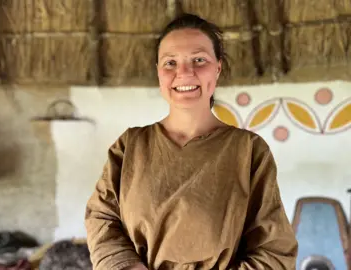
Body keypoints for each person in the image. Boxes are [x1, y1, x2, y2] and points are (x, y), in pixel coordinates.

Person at [84, 13, 298, 270]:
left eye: (199, 60)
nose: (184, 73)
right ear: (158, 72)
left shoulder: (248, 150)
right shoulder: (130, 146)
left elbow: (274, 249)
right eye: (170, 62)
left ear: (217, 68)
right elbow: (101, 219)